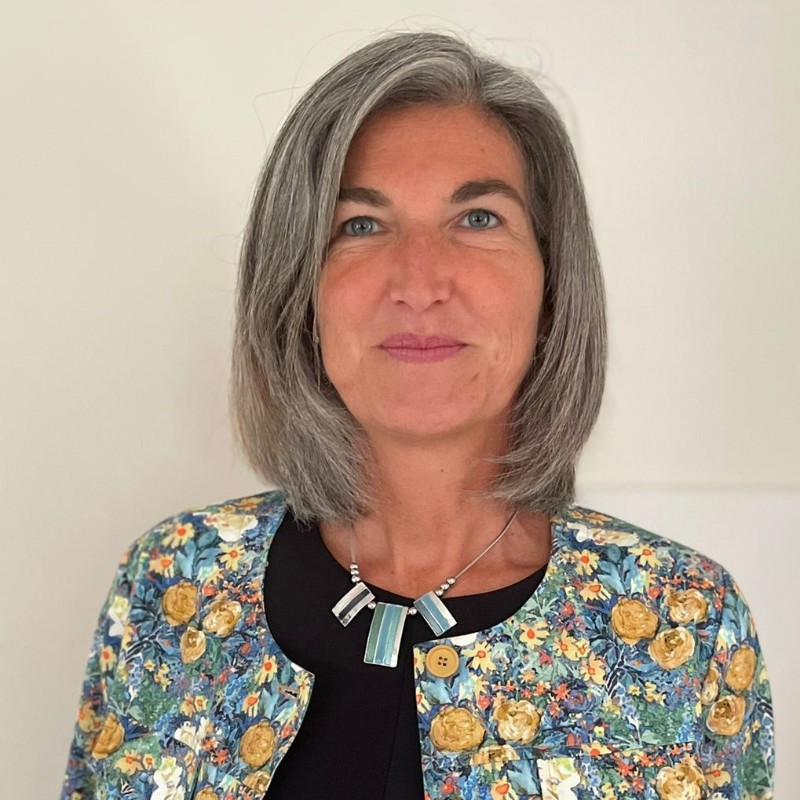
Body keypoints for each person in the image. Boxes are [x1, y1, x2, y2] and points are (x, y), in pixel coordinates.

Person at [61, 31, 774, 800]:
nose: (421, 282)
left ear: (551, 285)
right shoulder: (173, 585)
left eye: (478, 219)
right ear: (299, 294)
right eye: (360, 225)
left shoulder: (682, 620)